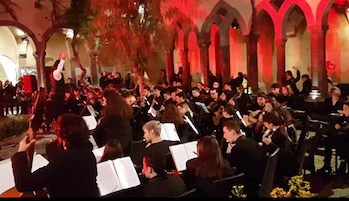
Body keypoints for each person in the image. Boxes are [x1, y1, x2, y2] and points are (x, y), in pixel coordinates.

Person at [11, 113, 100, 197]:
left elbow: (23, 184)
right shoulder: (88, 154)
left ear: (62, 135)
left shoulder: (64, 160)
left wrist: (20, 153)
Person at [222, 120, 265, 197]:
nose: (224, 136)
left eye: (225, 133)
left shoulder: (238, 148)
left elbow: (227, 166)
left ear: (232, 132)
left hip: (248, 185)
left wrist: (228, 152)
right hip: (260, 180)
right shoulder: (251, 141)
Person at [260, 112, 298, 189]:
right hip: (284, 162)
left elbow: (282, 152)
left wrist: (268, 143)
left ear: (270, 124)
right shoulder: (279, 130)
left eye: (266, 124)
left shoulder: (278, 135)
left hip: (283, 166)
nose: (265, 126)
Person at [93, 90, 134, 155]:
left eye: (103, 99)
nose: (102, 102)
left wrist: (99, 124)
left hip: (115, 145)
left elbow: (98, 130)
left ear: (109, 100)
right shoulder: (122, 110)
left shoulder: (111, 113)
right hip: (126, 142)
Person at [50, 51, 68, 121]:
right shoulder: (56, 73)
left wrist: (58, 58)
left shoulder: (52, 73)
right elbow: (59, 69)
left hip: (56, 95)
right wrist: (63, 59)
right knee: (60, 113)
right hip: (58, 97)